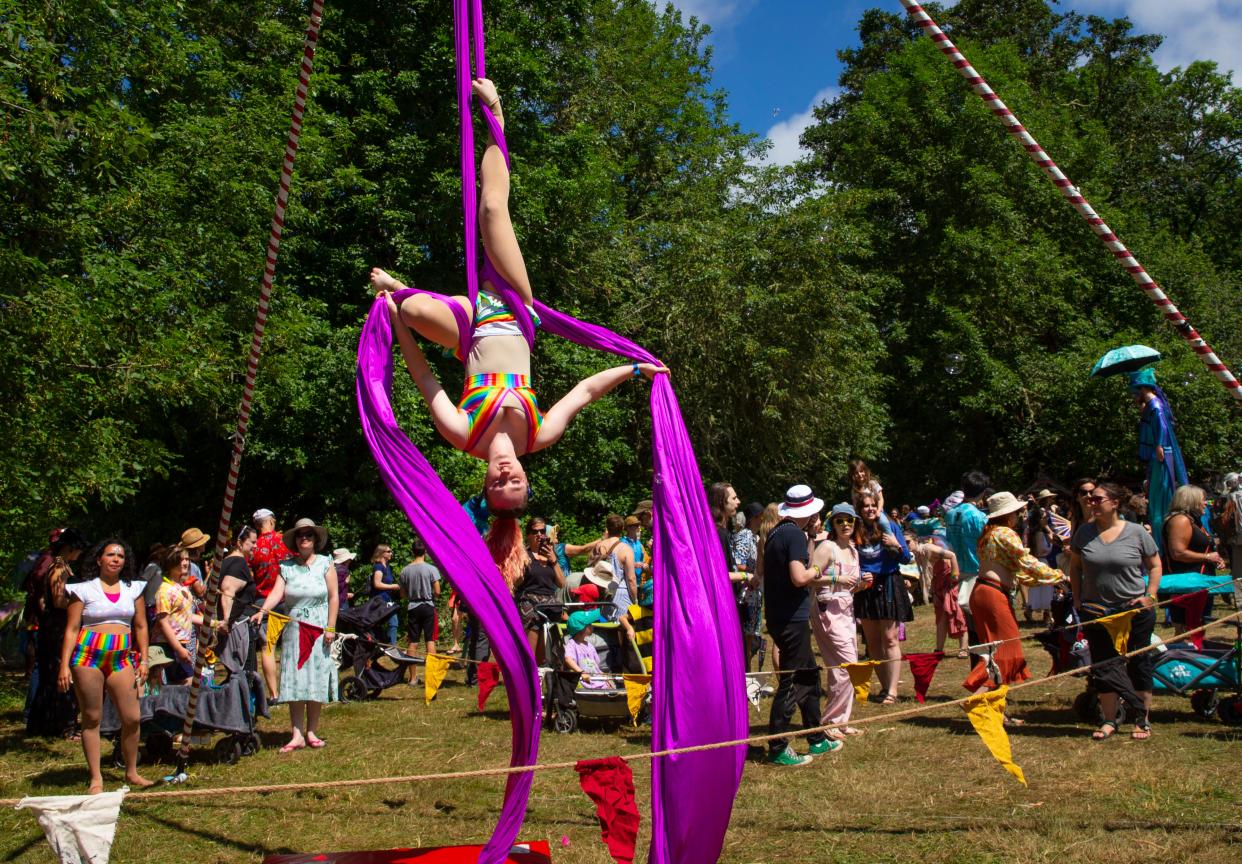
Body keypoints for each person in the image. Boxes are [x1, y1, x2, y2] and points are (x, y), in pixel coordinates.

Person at [373, 78, 667, 590]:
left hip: (468, 328)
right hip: (513, 308)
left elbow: (423, 376)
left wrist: (397, 319)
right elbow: (585, 391)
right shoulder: (538, 434)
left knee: (415, 307)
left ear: (485, 484)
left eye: (499, 483)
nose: (507, 473)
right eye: (516, 482)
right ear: (526, 480)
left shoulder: (463, 434)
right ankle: (498, 122)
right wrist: (635, 368)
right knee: (491, 211)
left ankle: (403, 291)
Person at [1069, 482, 1163, 741]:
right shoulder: (1083, 533)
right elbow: (1075, 567)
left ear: (1115, 503)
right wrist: (1077, 598)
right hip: (1096, 611)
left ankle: (1141, 721)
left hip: (1133, 610)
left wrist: (1150, 595)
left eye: (1097, 498)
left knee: (1138, 663)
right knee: (1104, 665)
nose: (1091, 501)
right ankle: (1109, 720)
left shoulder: (1136, 532)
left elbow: (1155, 565)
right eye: (1089, 497)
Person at [58, 539, 153, 792]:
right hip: (87, 656)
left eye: (120, 556)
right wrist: (64, 666)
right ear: (99, 559)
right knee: (91, 717)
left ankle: (131, 772)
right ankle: (96, 778)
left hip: (121, 657)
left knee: (132, 718)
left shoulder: (134, 589)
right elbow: (72, 629)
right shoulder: (83, 589)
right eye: (110, 554)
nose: (115, 559)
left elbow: (142, 626)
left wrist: (144, 659)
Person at [962, 493, 1063, 717]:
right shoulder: (1005, 533)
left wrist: (1047, 579)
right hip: (992, 595)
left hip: (982, 592)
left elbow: (1016, 571)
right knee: (1007, 652)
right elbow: (1026, 561)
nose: (1020, 516)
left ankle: (995, 711)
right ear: (1009, 514)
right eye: (1017, 512)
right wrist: (1058, 576)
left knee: (995, 650)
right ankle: (977, 699)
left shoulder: (988, 534)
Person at [762, 485, 842, 766]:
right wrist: (820, 569)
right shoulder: (793, 534)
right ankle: (778, 746)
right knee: (793, 680)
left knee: (809, 674)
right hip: (791, 617)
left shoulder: (777, 532)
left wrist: (809, 541)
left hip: (780, 614)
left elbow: (790, 564)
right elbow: (799, 576)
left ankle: (816, 737)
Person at [253, 518, 339, 752]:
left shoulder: (325, 563)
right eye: (300, 535)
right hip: (293, 629)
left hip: (319, 628)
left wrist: (330, 627)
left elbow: (333, 597)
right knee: (294, 679)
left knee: (315, 678)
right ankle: (296, 733)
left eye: (308, 535)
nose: (304, 538)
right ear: (295, 540)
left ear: (315, 539)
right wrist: (263, 611)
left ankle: (311, 731)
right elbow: (276, 593)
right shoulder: (286, 566)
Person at [25, 528, 89, 740]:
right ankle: (61, 724)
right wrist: (79, 603)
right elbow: (58, 599)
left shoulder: (62, 566)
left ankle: (52, 722)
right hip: (57, 627)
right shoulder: (58, 568)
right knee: (59, 675)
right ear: (71, 548)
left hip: (57, 625)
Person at [852, 491, 913, 704]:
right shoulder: (855, 530)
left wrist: (896, 543)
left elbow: (906, 558)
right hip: (866, 587)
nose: (869, 509)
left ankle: (893, 691)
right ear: (859, 510)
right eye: (865, 506)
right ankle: (885, 686)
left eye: (872, 505)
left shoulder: (890, 526)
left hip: (888, 583)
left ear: (878, 506)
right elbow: (850, 559)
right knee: (873, 641)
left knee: (890, 638)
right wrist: (859, 575)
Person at [809, 503, 863, 738]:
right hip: (827, 610)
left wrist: (862, 583)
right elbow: (810, 577)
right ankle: (830, 721)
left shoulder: (852, 550)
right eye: (840, 520)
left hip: (847, 611)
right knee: (848, 666)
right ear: (833, 524)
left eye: (849, 520)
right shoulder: (827, 547)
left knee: (844, 668)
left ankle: (840, 721)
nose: (845, 525)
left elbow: (852, 586)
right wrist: (838, 577)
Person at [1128, 369, 1188, 553]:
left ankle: (1162, 543)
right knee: (1156, 495)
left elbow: (1161, 423)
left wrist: (1160, 445)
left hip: (1160, 454)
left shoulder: (1155, 404)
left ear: (1142, 388)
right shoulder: (1151, 405)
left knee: (1160, 494)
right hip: (1158, 454)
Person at [1163, 484, 1222, 638]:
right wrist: (1207, 557)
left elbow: (1202, 548)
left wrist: (1215, 559)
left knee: (1197, 629)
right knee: (1186, 631)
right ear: (1191, 500)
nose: (1206, 503)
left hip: (1199, 581)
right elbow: (1178, 553)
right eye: (1203, 500)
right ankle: (1185, 659)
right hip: (1186, 583)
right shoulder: (1180, 520)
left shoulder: (1194, 520)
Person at [249, 507, 291, 701]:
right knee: (291, 646)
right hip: (286, 599)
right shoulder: (284, 540)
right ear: (272, 521)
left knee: (268, 647)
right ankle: (292, 689)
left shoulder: (253, 546)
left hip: (262, 601)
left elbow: (249, 576)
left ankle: (274, 694)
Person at [910, 525, 966, 656]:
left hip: (949, 583)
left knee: (955, 613)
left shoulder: (928, 548)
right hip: (938, 584)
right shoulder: (918, 554)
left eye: (908, 542)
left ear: (916, 540)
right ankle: (939, 649)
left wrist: (954, 576)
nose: (906, 545)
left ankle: (964, 648)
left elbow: (952, 555)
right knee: (940, 617)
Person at [945, 471, 991, 626]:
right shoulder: (980, 517)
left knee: (965, 615)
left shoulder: (950, 514)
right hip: (976, 569)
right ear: (983, 492)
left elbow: (949, 541)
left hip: (958, 568)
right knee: (979, 616)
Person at [515, 517, 563, 659]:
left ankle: (547, 666)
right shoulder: (524, 555)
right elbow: (516, 583)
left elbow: (562, 583)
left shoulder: (551, 556)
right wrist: (522, 566)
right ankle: (531, 668)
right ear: (528, 535)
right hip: (529, 600)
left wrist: (553, 561)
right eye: (535, 531)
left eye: (542, 531)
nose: (539, 535)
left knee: (557, 626)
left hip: (549, 601)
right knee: (534, 624)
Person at [591, 515, 639, 644]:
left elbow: (590, 569)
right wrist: (635, 599)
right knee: (624, 633)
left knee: (605, 629)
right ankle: (624, 661)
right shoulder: (625, 549)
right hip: (620, 594)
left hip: (602, 594)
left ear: (607, 528)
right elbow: (631, 579)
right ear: (622, 529)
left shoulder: (598, 546)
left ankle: (609, 661)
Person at [397, 537, 441, 676]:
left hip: (413, 606)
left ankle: (413, 678)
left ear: (412, 551)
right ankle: (431, 676)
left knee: (413, 642)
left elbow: (402, 594)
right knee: (430, 640)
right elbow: (438, 591)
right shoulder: (431, 569)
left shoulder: (405, 570)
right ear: (425, 551)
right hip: (427, 605)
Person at [732, 502, 764, 671]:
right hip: (744, 594)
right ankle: (744, 672)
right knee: (745, 637)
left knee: (751, 635)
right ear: (753, 519)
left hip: (753, 593)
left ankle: (747, 672)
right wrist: (754, 573)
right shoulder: (744, 535)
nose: (763, 521)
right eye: (761, 517)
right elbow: (738, 564)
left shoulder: (754, 537)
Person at [218, 526, 259, 627]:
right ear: (240, 543)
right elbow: (227, 590)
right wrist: (226, 621)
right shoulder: (239, 563)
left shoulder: (226, 561)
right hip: (235, 626)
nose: (256, 546)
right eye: (253, 542)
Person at [563, 611, 608, 690]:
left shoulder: (589, 645)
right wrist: (582, 673)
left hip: (596, 681)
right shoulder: (572, 644)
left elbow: (595, 666)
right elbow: (568, 659)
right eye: (589, 624)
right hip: (584, 683)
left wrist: (601, 673)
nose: (592, 626)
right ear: (582, 629)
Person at [369, 544, 400, 646]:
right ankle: (384, 645)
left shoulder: (387, 566)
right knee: (385, 623)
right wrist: (392, 586)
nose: (391, 553)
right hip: (379, 600)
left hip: (387, 599)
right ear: (381, 553)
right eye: (389, 551)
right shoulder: (378, 567)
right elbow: (377, 584)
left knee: (393, 622)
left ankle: (390, 645)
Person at [707, 482, 740, 572]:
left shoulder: (722, 531)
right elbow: (720, 573)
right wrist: (745, 576)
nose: (738, 501)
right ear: (721, 502)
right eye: (734, 498)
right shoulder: (718, 533)